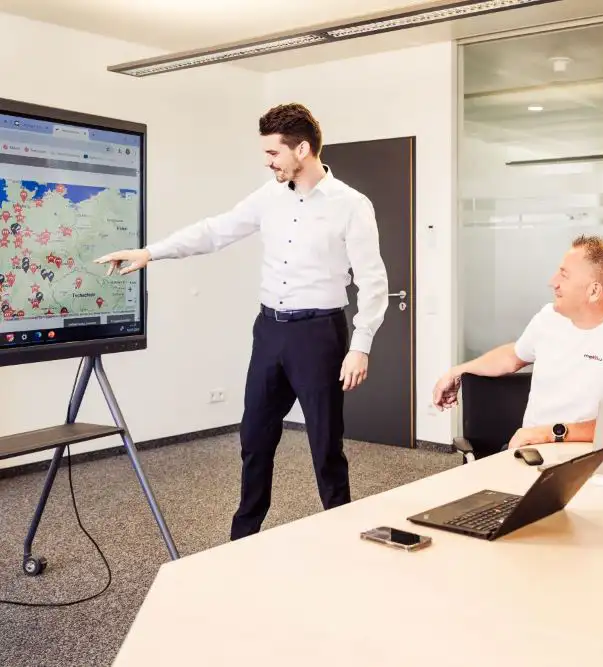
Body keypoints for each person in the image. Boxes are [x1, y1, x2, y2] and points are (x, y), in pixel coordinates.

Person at [95, 103, 389, 540]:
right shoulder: (268, 196)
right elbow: (215, 231)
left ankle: (343, 534)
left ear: (302, 149)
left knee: (325, 445)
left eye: (273, 153)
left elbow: (373, 281)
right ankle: (243, 537)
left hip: (319, 334)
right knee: (255, 439)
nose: (267, 162)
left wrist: (360, 346)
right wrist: (150, 253)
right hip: (269, 331)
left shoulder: (351, 205)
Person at [432, 235, 603, 449]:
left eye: (564, 275)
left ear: (594, 291)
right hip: (532, 450)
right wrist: (456, 372)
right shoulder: (548, 317)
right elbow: (512, 357)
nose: (553, 282)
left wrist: (550, 433)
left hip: (590, 454)